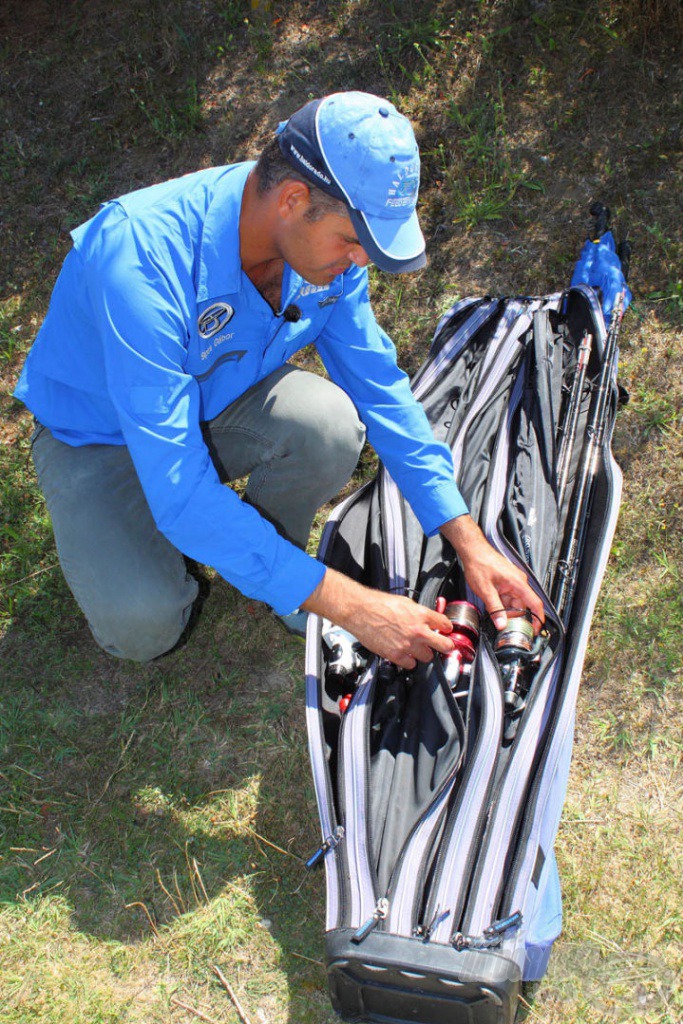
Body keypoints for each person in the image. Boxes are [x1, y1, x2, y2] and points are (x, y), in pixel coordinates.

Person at [14, 91, 544, 667]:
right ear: (293, 199)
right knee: (145, 624)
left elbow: (380, 391)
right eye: (353, 240)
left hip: (219, 401)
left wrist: (467, 539)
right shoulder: (140, 261)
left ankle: (273, 565)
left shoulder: (326, 257)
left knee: (332, 424)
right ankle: (207, 551)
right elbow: (183, 493)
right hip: (97, 436)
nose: (361, 260)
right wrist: (356, 607)